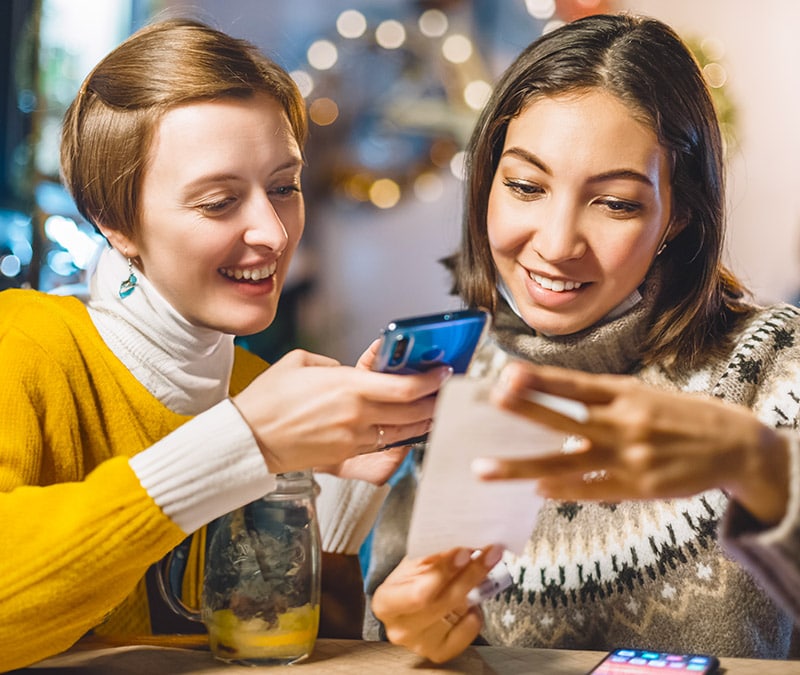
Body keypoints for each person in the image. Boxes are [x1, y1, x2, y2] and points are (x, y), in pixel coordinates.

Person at [0, 18, 452, 672]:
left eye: (283, 187)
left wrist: (332, 498)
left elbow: (284, 651)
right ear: (116, 221)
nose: (271, 232)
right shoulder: (27, 343)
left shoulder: (253, 385)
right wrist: (243, 444)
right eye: (218, 202)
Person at [368, 12, 800, 664]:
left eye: (616, 202)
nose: (557, 243)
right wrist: (410, 633)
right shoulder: (455, 383)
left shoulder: (772, 366)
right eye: (524, 186)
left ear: (678, 215)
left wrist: (763, 469)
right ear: (486, 180)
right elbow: (398, 633)